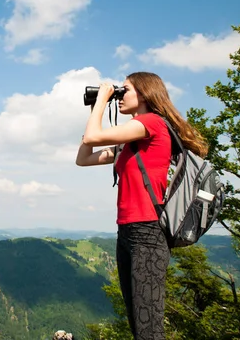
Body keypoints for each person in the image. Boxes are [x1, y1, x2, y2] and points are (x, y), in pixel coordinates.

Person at [75, 71, 208, 340]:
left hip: (148, 232)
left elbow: (92, 138)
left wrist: (102, 100)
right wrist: (95, 111)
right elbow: (84, 157)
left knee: (148, 323)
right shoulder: (130, 141)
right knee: (137, 319)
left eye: (125, 90)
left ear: (145, 94)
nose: (120, 96)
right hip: (127, 231)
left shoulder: (152, 122)